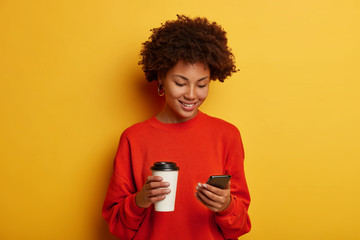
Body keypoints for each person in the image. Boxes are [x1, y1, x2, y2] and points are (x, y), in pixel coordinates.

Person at [102, 15, 251, 240]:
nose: (191, 94)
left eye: (202, 84)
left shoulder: (227, 136)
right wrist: (140, 200)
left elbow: (239, 226)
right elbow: (117, 226)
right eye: (180, 83)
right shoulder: (133, 138)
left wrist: (226, 205)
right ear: (161, 76)